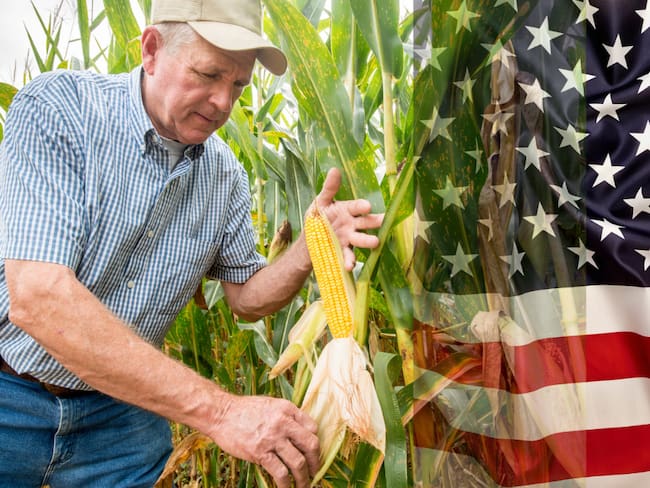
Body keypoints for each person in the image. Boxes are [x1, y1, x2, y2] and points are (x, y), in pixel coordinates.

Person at [0, 0, 382, 487]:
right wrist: (222, 413)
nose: (224, 102)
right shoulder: (62, 110)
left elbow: (246, 299)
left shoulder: (226, 176)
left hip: (123, 413)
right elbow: (39, 299)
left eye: (239, 86)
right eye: (208, 74)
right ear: (152, 50)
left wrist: (311, 248)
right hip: (10, 392)